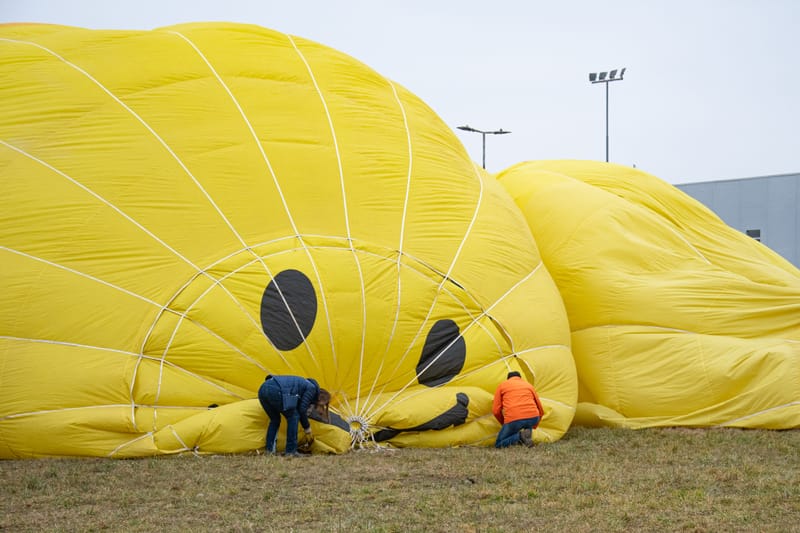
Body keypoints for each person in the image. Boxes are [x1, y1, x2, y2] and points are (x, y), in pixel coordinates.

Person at [257, 374, 330, 456]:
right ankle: (291, 451)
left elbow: (300, 407)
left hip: (263, 389)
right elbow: (302, 410)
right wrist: (307, 427)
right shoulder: (311, 389)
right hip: (276, 390)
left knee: (275, 420)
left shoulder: (303, 384)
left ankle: (269, 450)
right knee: (293, 416)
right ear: (320, 399)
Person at [492, 371, 544, 448]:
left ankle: (520, 436)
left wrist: (504, 423)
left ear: (508, 379)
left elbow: (495, 411)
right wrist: (534, 425)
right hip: (533, 417)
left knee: (499, 444)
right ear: (520, 378)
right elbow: (540, 408)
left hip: (514, 418)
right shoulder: (528, 385)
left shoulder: (502, 385)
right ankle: (526, 439)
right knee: (527, 422)